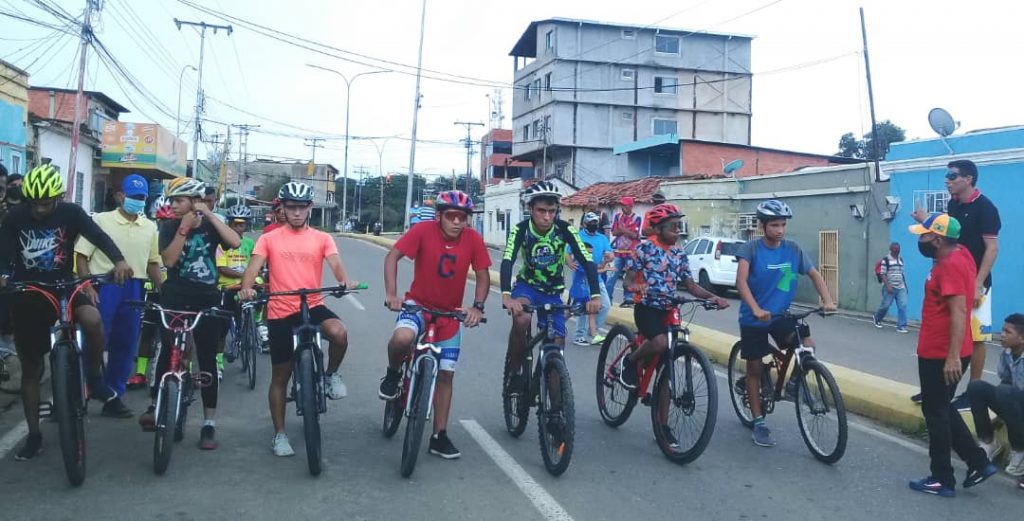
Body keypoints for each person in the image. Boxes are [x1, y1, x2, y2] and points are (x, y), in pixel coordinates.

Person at [0, 164, 132, 460]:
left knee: (92, 319)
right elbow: (3, 251)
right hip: (30, 291)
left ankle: (94, 380)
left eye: (46, 203)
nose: (40, 209)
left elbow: (98, 236)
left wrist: (119, 260)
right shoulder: (16, 217)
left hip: (64, 286)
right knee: (31, 367)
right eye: (35, 203)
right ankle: (34, 435)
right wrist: (3, 274)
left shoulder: (71, 213)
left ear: (58, 198)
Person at [238, 181, 359, 457]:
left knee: (339, 333)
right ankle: (280, 434)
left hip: (312, 304)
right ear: (282, 208)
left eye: (301, 208)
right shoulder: (269, 239)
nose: (296, 213)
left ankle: (330, 375)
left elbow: (335, 264)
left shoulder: (322, 238)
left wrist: (343, 281)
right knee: (281, 375)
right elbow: (253, 267)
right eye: (291, 207)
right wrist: (246, 287)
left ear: (309, 208)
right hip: (281, 309)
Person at [380, 190, 489, 459]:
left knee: (446, 374)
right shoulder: (422, 231)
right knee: (402, 339)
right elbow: (392, 257)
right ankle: (393, 374)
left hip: (450, 316)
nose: (457, 222)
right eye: (451, 216)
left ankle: (439, 435)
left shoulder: (473, 239)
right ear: (439, 216)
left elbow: (483, 275)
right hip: (417, 307)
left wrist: (477, 307)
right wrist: (392, 295)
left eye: (462, 217)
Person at [139, 177, 241, 451]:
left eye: (179, 200)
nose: (172, 205)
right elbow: (169, 260)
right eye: (171, 200)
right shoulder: (169, 226)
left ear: (195, 201)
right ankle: (156, 403)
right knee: (168, 349)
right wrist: (183, 227)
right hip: (175, 297)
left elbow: (235, 241)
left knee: (206, 359)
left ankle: (209, 423)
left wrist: (208, 214)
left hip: (207, 298)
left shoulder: (210, 224)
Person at [622, 204, 729, 446]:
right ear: (658, 229)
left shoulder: (679, 254)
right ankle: (630, 361)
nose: (677, 231)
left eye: (679, 226)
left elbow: (690, 285)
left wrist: (713, 297)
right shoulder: (644, 249)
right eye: (672, 227)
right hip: (647, 308)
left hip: (669, 309)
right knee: (660, 342)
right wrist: (635, 286)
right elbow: (628, 280)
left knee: (668, 366)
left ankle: (662, 427)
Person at [907, 212, 997, 497]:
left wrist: (952, 357)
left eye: (924, 235)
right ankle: (978, 463)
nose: (920, 240)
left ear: (937, 240)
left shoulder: (950, 265)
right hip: (946, 349)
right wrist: (929, 219)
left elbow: (959, 311)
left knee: (935, 413)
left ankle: (942, 478)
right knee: (942, 407)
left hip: (941, 353)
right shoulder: (961, 252)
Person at [735, 200, 837, 448]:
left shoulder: (793, 249)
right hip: (755, 318)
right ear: (762, 226)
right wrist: (756, 309)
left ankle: (793, 383)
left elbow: (814, 274)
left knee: (807, 344)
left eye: (783, 225)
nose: (780, 230)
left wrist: (827, 300)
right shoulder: (751, 249)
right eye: (774, 225)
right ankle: (759, 422)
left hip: (781, 315)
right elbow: (741, 282)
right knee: (754, 369)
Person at [912, 159, 1000, 409]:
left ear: (968, 179)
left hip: (975, 280)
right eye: (946, 176)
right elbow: (947, 233)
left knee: (976, 337)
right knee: (947, 327)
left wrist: (978, 283)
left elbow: (992, 248)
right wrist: (926, 220)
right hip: (952, 277)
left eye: (952, 176)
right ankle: (938, 388)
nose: (947, 180)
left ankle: (974, 391)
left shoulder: (986, 208)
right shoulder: (953, 204)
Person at [74, 174, 163, 418]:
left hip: (134, 288)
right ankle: (82, 391)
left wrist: (164, 290)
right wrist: (87, 286)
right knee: (95, 342)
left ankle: (114, 395)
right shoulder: (101, 221)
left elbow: (153, 262)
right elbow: (81, 256)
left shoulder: (150, 227)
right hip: (104, 286)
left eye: (142, 197)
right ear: (120, 196)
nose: (138, 201)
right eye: (133, 196)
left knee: (125, 344)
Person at [500, 181, 601, 388]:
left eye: (552, 211)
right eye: (541, 211)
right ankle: (515, 371)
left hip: (553, 292)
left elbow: (586, 260)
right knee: (522, 319)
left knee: (557, 344)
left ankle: (556, 401)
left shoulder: (565, 229)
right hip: (527, 287)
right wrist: (506, 295)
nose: (547, 217)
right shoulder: (520, 230)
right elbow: (507, 260)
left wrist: (596, 295)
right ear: (530, 209)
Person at [967, 313, 1024, 480]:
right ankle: (988, 442)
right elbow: (1006, 382)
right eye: (1002, 330)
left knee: (1005, 391)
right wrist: (1000, 416)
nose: (1002, 335)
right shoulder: (1007, 353)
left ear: (1022, 338)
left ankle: (1020, 450)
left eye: (1008, 332)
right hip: (1016, 403)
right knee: (976, 387)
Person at [128, 199, 175, 390]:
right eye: (161, 221)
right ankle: (140, 373)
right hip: (153, 293)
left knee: (177, 336)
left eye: (168, 221)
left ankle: (185, 369)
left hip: (174, 296)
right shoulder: (150, 238)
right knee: (147, 332)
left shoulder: (181, 240)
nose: (164, 225)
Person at [215, 205, 258, 370]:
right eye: (235, 224)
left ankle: (257, 325)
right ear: (229, 224)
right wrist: (245, 275)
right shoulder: (221, 244)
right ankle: (219, 362)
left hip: (247, 285)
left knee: (262, 295)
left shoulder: (250, 243)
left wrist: (254, 275)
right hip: (227, 287)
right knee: (222, 327)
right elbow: (222, 269)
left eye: (242, 224)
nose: (239, 228)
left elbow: (256, 264)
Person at [568, 212, 612, 346]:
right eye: (591, 223)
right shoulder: (578, 237)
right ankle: (579, 335)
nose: (593, 225)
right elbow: (567, 252)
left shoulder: (602, 238)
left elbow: (609, 253)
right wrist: (569, 262)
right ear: (584, 224)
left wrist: (609, 257)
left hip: (596, 278)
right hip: (582, 277)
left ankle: (593, 333)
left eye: (595, 223)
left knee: (605, 305)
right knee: (581, 306)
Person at [607, 196, 642, 307]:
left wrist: (622, 230)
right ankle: (607, 299)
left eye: (625, 205)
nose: (623, 207)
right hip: (618, 251)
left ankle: (628, 299)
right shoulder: (618, 217)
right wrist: (625, 231)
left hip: (631, 252)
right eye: (622, 205)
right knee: (612, 276)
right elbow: (614, 232)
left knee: (629, 277)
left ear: (631, 206)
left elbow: (635, 235)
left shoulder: (636, 218)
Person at [873, 242, 909, 333]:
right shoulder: (886, 260)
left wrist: (905, 286)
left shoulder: (900, 259)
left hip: (901, 287)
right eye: (895, 249)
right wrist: (888, 286)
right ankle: (877, 318)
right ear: (891, 250)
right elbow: (883, 274)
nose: (896, 251)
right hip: (890, 287)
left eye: (898, 249)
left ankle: (901, 326)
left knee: (903, 305)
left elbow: (901, 274)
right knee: (885, 305)